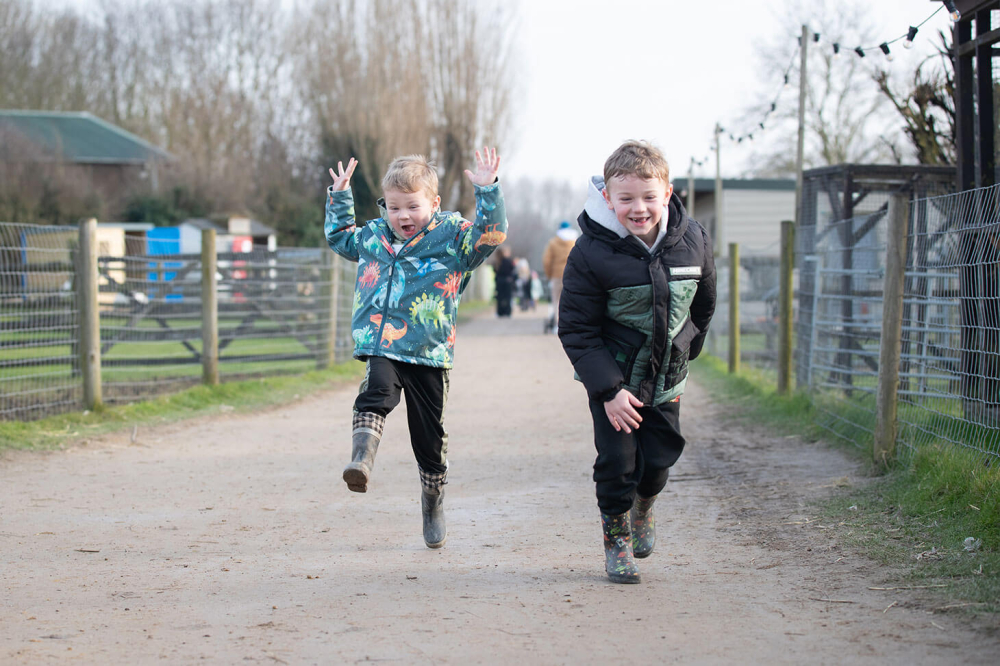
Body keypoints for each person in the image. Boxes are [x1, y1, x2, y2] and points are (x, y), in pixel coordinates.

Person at [324, 148, 507, 549]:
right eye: (393, 207)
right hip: (382, 341)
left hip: (428, 351)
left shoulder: (453, 238)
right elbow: (340, 238)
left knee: (429, 439)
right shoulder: (373, 236)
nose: (403, 216)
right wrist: (339, 197)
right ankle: (362, 460)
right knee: (375, 392)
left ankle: (432, 497)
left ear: (434, 203)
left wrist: (488, 191)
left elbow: (490, 236)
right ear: (384, 206)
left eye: (412, 206)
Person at [558, 140, 716, 583]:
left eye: (649, 197)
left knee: (658, 462)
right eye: (626, 198)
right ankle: (617, 541)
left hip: (666, 378)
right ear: (608, 198)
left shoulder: (694, 241)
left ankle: (645, 505)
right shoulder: (590, 253)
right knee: (617, 463)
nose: (639, 208)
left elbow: (702, 308)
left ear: (667, 193)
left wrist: (683, 355)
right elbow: (577, 330)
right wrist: (608, 389)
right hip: (616, 384)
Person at [541, 220, 579, 333]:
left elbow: (546, 261)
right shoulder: (575, 241)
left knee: (556, 301)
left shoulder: (553, 242)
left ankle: (557, 326)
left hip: (557, 275)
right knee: (572, 301)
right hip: (573, 275)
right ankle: (571, 325)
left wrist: (549, 275)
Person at [493, 247, 516, 317]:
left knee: (500, 298)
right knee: (508, 297)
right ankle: (507, 312)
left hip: (499, 281)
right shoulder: (508, 261)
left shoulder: (496, 262)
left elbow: (495, 271)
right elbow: (512, 270)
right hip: (507, 281)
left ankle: (500, 312)